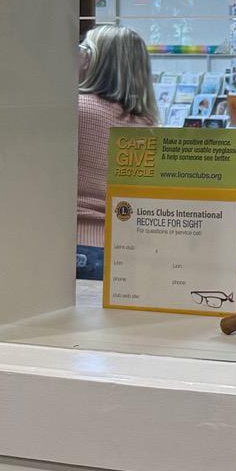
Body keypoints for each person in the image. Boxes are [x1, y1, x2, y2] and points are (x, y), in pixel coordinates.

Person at [75, 24, 158, 280]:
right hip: (121, 245)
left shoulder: (77, 109)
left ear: (94, 60)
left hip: (74, 242)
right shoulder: (147, 124)